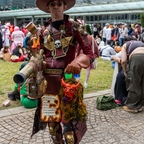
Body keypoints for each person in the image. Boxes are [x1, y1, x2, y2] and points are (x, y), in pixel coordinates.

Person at [24, 0, 94, 144]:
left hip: (68, 82)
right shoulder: (43, 31)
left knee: (70, 130)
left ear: (64, 6)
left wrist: (77, 62)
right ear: (48, 8)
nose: (56, 7)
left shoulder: (74, 27)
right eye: (52, 4)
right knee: (53, 127)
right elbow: (38, 55)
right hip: (49, 84)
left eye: (59, 3)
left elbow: (89, 53)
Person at [121, 36, 144, 113]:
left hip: (137, 57)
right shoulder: (140, 43)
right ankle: (142, 103)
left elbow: (123, 61)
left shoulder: (125, 45)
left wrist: (124, 71)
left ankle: (132, 106)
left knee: (133, 81)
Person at [75, 21, 99, 88]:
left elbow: (78, 48)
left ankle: (78, 81)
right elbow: (95, 46)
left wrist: (76, 56)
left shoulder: (80, 38)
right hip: (89, 55)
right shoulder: (90, 37)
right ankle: (85, 82)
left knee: (78, 68)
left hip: (81, 55)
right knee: (88, 69)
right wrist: (96, 54)